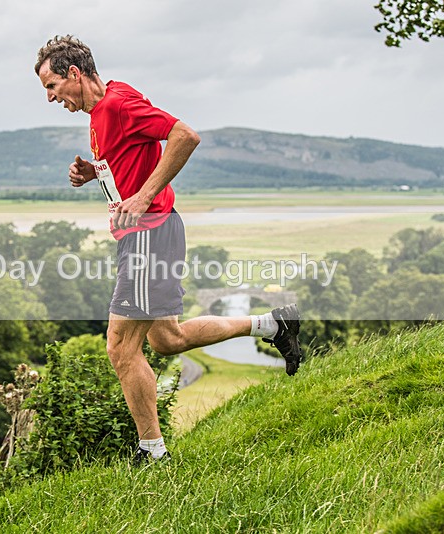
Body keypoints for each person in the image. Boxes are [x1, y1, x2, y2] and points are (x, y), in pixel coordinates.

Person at [35, 35, 302, 463]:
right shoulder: (106, 105)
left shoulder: (118, 104)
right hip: (149, 234)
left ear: (74, 74)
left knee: (120, 348)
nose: (50, 98)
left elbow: (184, 136)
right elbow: (130, 156)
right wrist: (95, 172)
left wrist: (143, 196)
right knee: (167, 339)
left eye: (51, 87)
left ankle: (152, 452)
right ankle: (273, 325)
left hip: (150, 234)